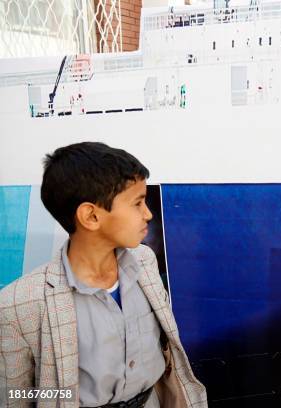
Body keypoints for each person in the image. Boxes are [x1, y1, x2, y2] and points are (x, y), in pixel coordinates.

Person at [0, 142, 207, 408]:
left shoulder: (144, 262)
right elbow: (15, 397)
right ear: (91, 216)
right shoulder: (18, 306)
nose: (148, 214)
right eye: (137, 203)